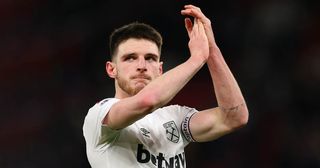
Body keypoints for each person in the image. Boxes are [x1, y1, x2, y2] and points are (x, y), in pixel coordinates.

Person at [83, 4, 248, 168]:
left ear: (160, 69)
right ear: (111, 69)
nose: (142, 65)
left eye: (150, 58)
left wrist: (211, 50)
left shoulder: (175, 117)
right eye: (130, 58)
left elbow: (234, 118)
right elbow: (148, 101)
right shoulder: (100, 115)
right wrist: (196, 59)